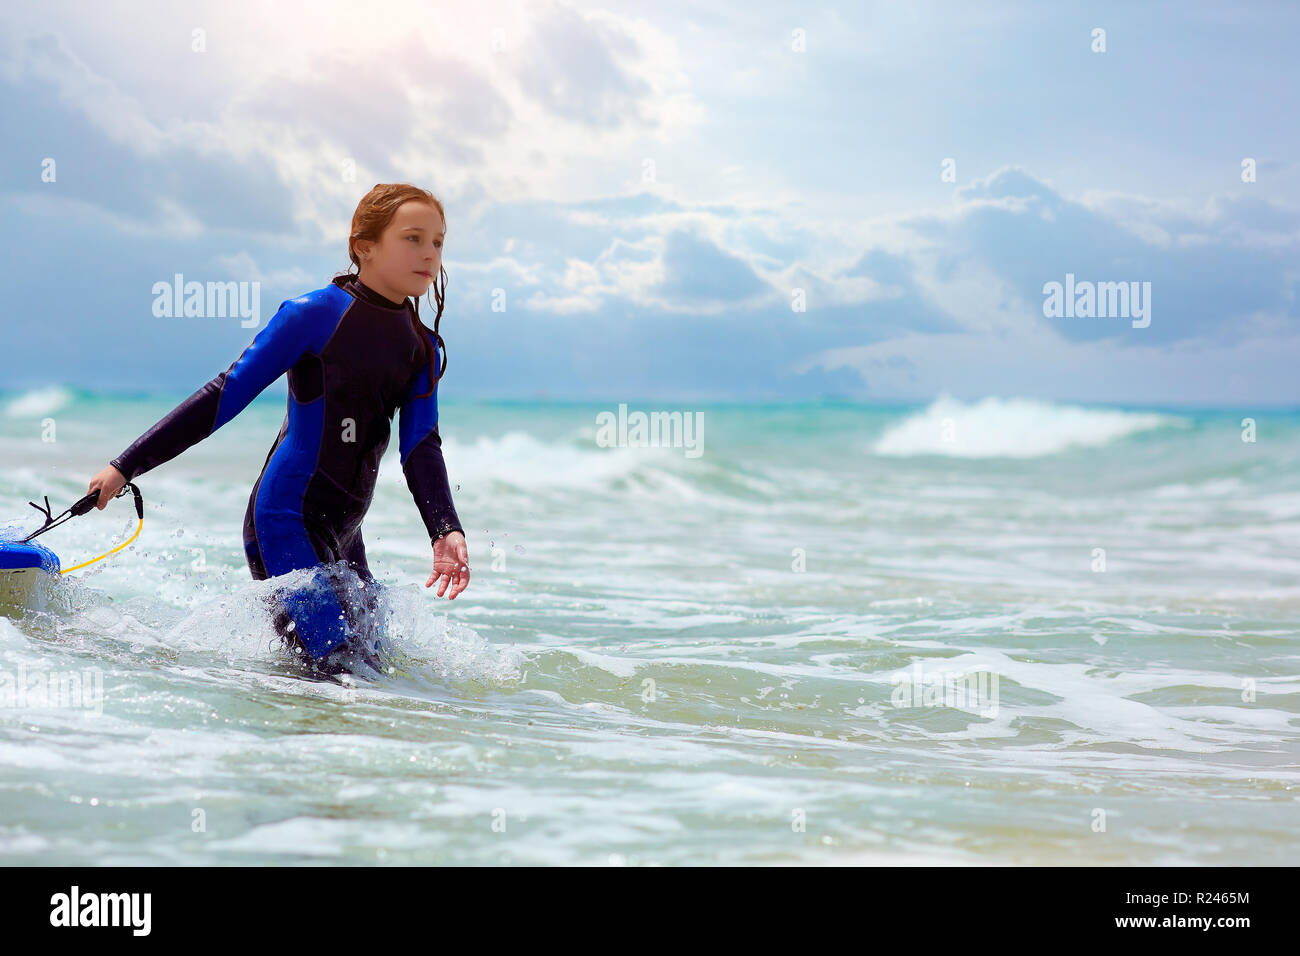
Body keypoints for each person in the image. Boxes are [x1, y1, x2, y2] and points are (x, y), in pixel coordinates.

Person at [86, 184, 471, 675]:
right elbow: (224, 397)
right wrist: (125, 465)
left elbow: (420, 448)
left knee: (377, 671)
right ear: (364, 246)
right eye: (413, 238)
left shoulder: (421, 348)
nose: (429, 254)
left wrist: (445, 529)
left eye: (438, 242)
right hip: (285, 518)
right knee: (340, 670)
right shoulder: (312, 316)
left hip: (345, 534)